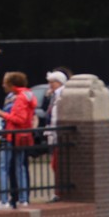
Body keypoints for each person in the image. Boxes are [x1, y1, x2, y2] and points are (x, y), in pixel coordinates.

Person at [0, 71, 35, 210]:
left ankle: (4, 200)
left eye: (6, 83)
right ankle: (23, 199)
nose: (3, 85)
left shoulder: (19, 98)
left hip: (12, 135)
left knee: (4, 167)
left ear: (12, 84)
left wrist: (2, 114)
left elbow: (19, 119)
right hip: (22, 136)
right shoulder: (28, 95)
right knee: (20, 166)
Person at [43, 68, 69, 200]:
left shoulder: (61, 95)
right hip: (54, 134)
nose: (50, 85)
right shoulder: (54, 95)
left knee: (57, 164)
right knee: (56, 164)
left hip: (58, 134)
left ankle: (59, 192)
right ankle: (59, 190)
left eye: (52, 82)